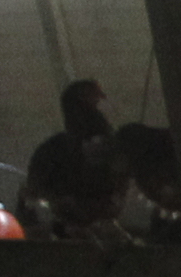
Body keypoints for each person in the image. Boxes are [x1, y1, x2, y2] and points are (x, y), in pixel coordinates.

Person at [24, 80, 124, 236]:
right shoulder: (54, 150)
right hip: (74, 212)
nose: (99, 97)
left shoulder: (55, 148)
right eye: (91, 93)